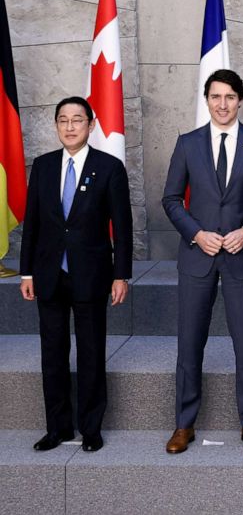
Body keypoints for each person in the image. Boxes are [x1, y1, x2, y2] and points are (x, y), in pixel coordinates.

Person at [162, 69, 243, 454]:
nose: (223, 104)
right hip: (197, 256)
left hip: (241, 257)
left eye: (230, 96)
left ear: (240, 99)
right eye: (215, 96)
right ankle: (184, 424)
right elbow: (172, 199)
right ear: (207, 100)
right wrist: (196, 233)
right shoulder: (188, 143)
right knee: (189, 343)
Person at [20, 96, 132, 453]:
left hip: (92, 276)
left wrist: (121, 275)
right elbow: (32, 223)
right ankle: (57, 428)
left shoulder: (109, 167)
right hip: (49, 275)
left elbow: (123, 228)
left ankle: (91, 428)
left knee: (90, 353)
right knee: (52, 355)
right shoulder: (43, 166)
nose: (70, 127)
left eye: (77, 120)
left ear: (91, 124)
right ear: (56, 126)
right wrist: (26, 273)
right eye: (63, 121)